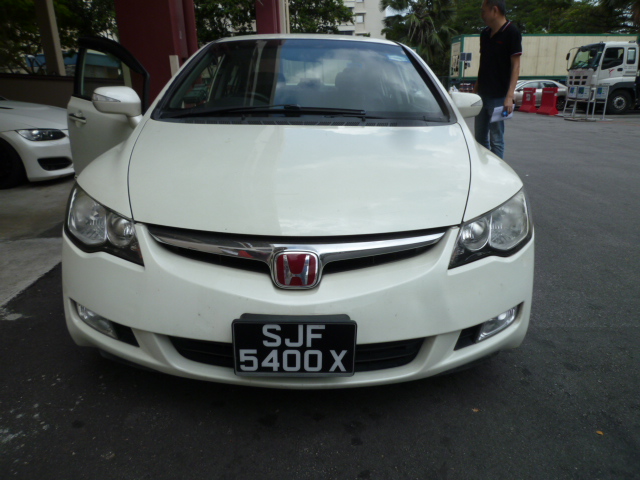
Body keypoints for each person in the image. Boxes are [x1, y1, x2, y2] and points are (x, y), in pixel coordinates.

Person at [473, 0, 522, 159]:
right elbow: (484, 64)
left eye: (483, 11)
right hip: (482, 93)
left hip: (499, 96)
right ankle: (483, 166)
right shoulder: (485, 34)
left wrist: (509, 96)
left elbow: (516, 66)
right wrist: (475, 90)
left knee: (496, 139)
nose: (482, 15)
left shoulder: (512, 32)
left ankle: (497, 170)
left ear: (495, 10)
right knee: (479, 138)